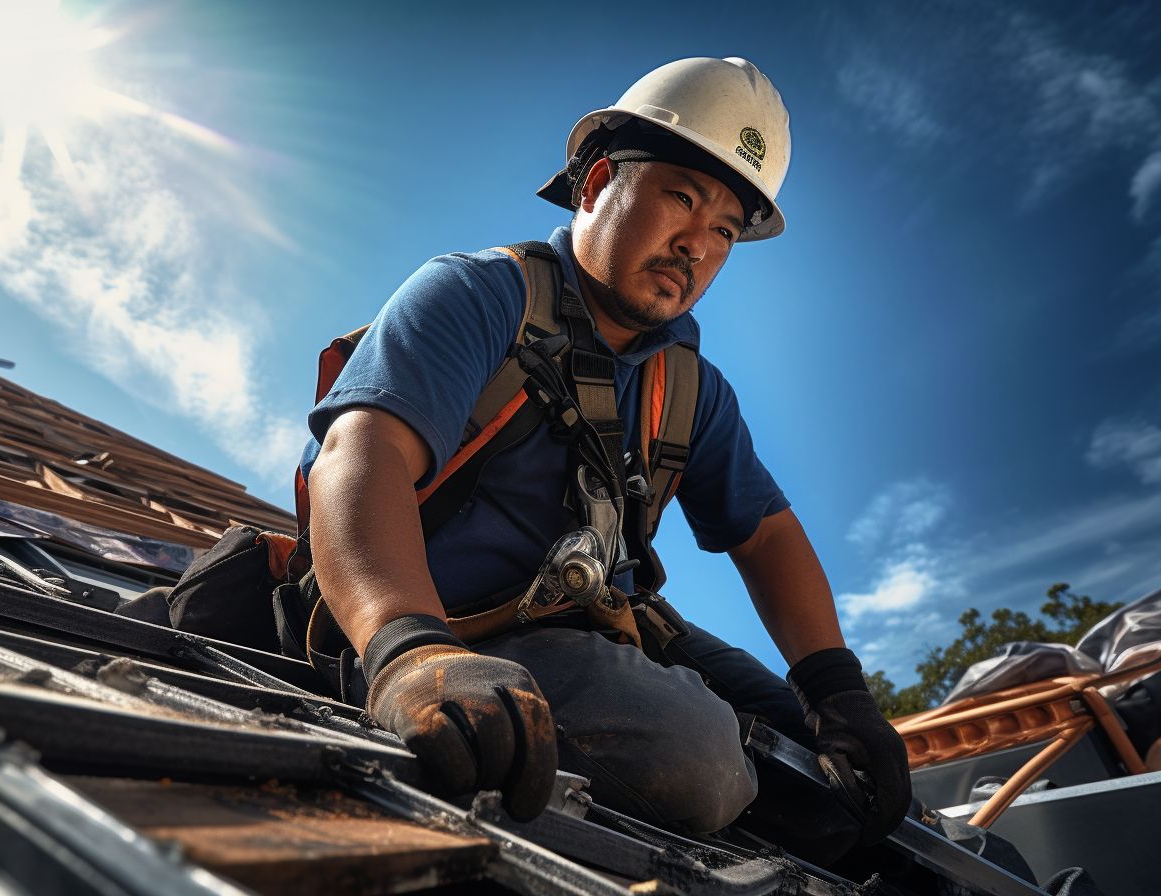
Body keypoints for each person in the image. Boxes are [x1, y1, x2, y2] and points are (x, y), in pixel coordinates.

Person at [299, 57, 911, 857]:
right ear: (593, 186)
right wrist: (408, 651)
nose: (696, 244)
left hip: (599, 630)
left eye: (725, 230)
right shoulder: (482, 295)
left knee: (845, 768)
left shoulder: (689, 386)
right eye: (681, 198)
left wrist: (840, 694)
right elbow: (362, 453)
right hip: (443, 629)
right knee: (697, 759)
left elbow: (766, 536)